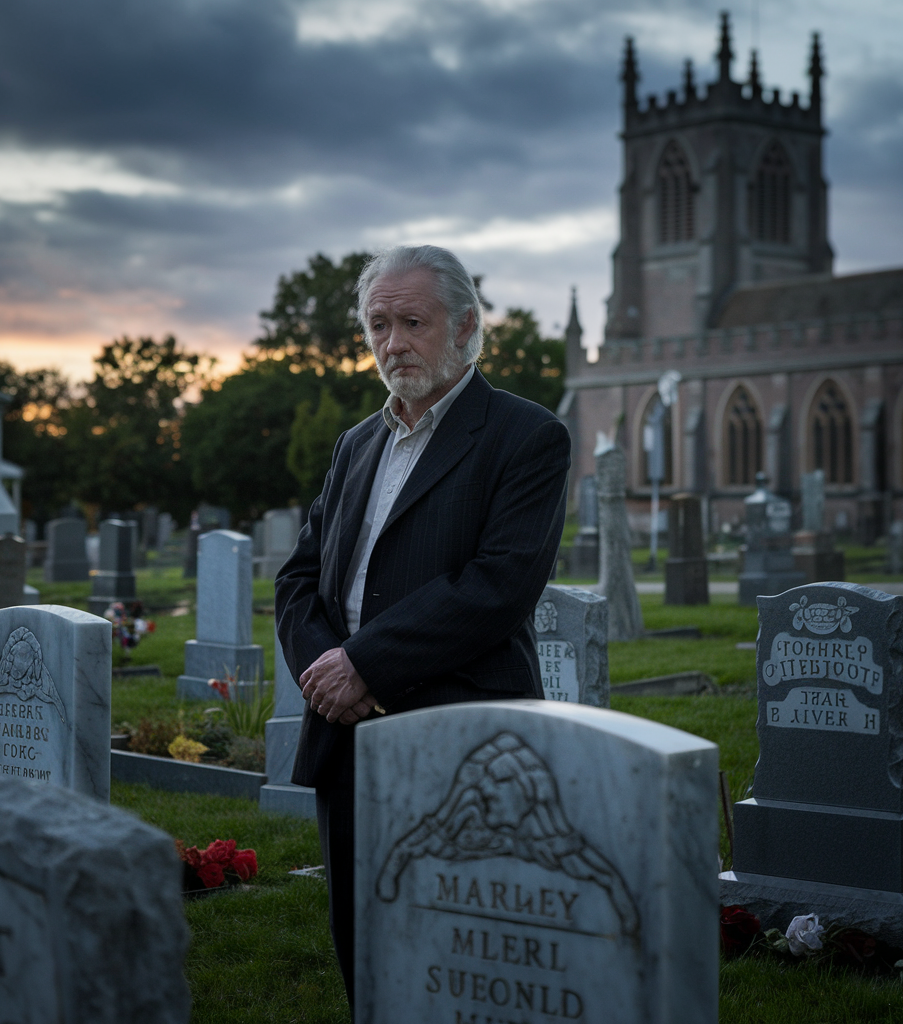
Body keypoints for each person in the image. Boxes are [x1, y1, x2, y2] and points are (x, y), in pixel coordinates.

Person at [274, 244, 571, 1008]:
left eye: (413, 321)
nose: (392, 343)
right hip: (345, 735)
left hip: (464, 745)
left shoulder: (525, 436)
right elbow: (300, 579)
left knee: (456, 962)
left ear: (467, 326)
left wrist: (363, 665)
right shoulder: (356, 444)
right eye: (378, 324)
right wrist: (327, 677)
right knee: (363, 951)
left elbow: (495, 588)